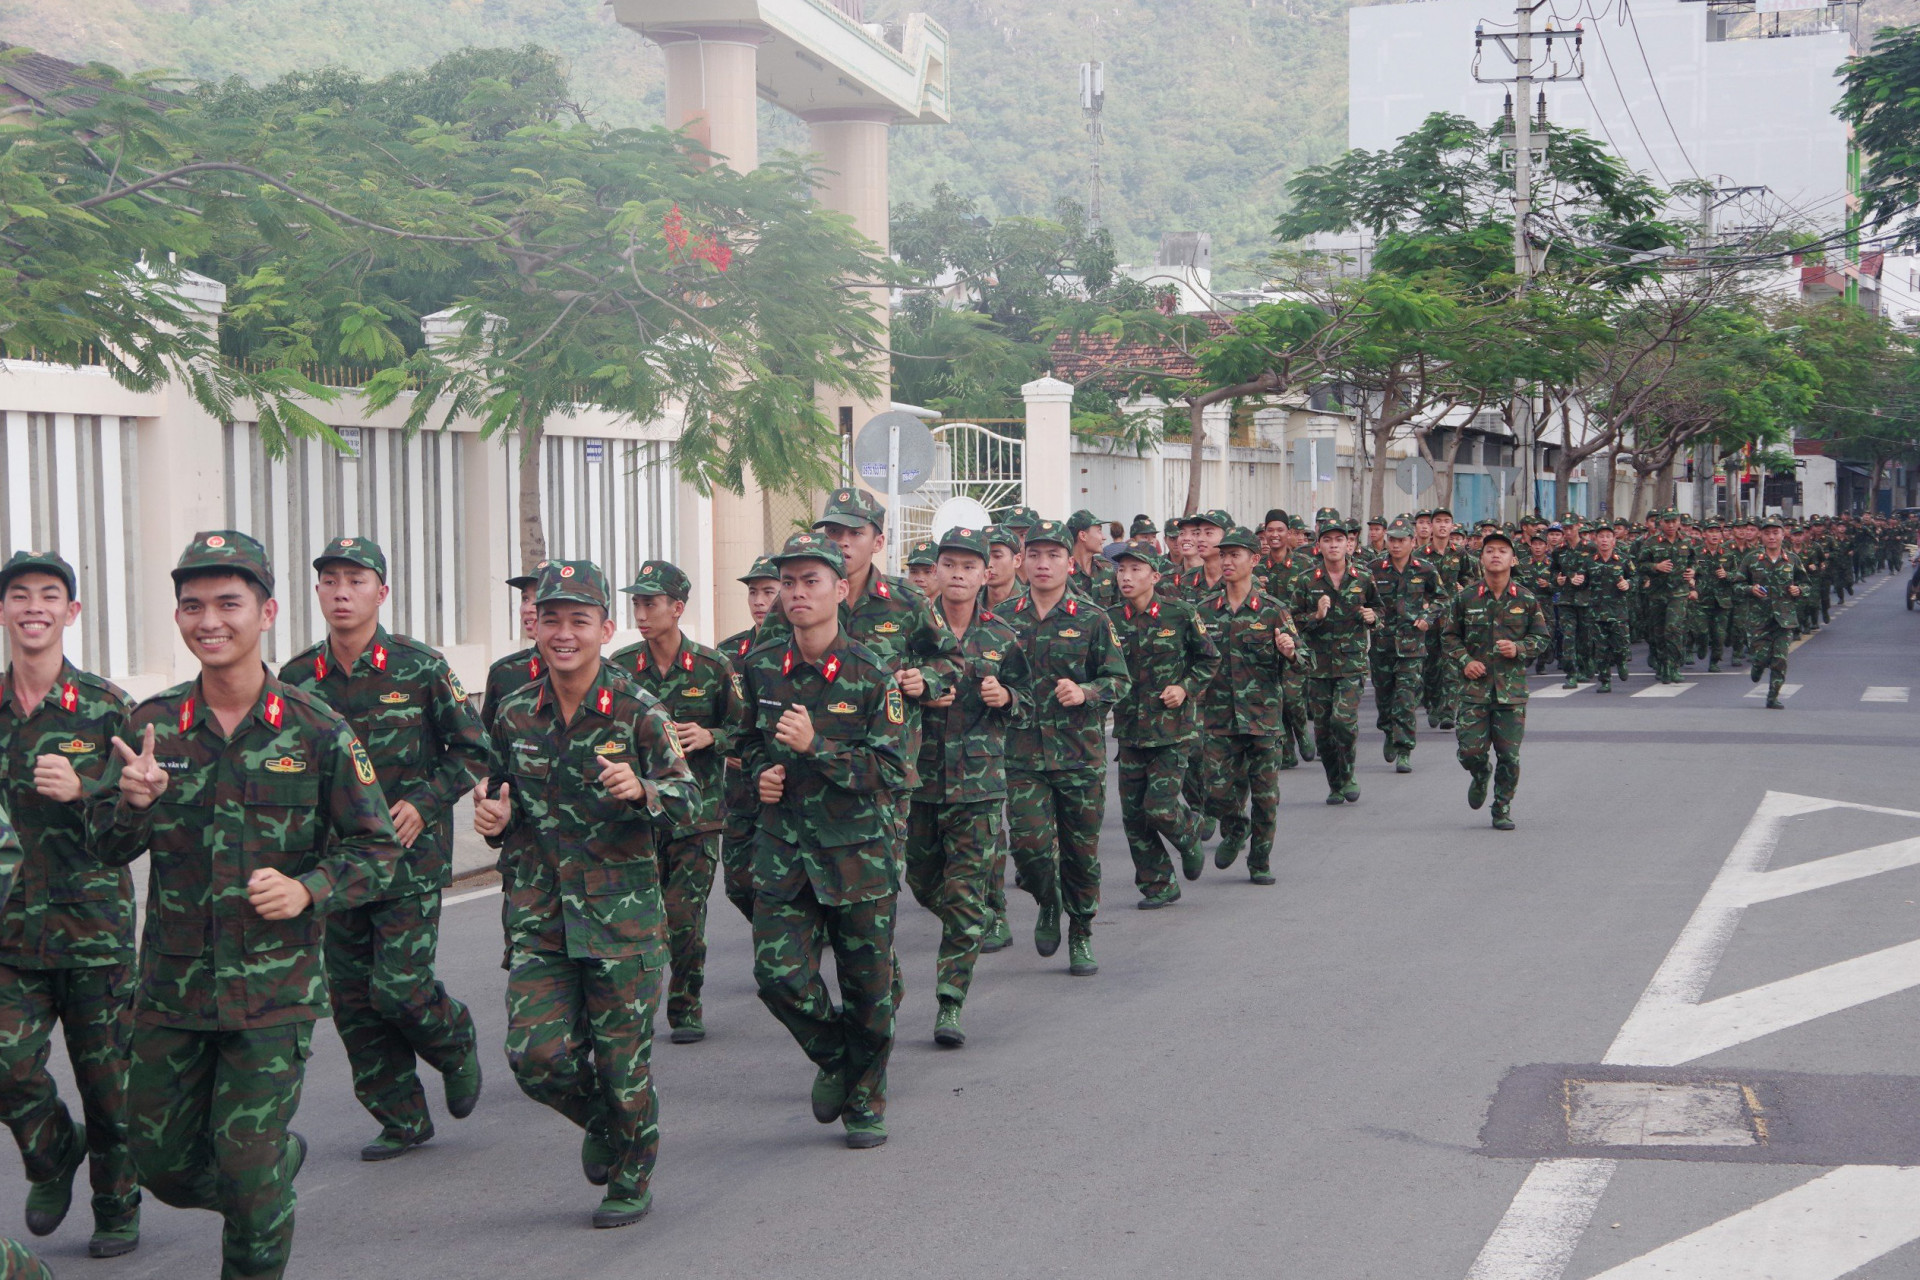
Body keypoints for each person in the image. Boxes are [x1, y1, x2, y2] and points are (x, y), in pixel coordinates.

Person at [90, 530, 402, 1279]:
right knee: (159, 1165)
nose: (210, 620)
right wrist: (130, 804)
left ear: (265, 613)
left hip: (273, 993)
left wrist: (308, 890)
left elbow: (378, 850)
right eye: (193, 605)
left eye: (228, 603)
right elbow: (102, 846)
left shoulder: (317, 728)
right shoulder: (149, 729)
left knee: (248, 1172)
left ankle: (260, 1190)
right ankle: (267, 1171)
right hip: (171, 993)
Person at [474, 558, 696, 1228]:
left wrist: (644, 791)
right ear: (536, 627)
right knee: (534, 1057)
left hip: (620, 920)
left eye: (578, 620)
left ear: (604, 627)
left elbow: (690, 799)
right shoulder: (514, 713)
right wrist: (492, 822)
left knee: (622, 1061)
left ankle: (630, 1173)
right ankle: (606, 1121)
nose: (562, 633)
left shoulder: (637, 712)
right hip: (540, 915)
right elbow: (498, 799)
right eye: (551, 619)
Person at [279, 538, 487, 1163]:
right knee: (350, 1000)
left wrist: (424, 803)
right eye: (331, 581)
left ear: (381, 593)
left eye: (356, 581)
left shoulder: (421, 669)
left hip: (407, 858)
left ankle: (453, 1041)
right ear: (317, 593)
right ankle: (400, 1115)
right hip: (336, 866)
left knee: (398, 987)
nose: (342, 592)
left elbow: (472, 750)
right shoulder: (296, 679)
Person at [738, 532, 908, 1149]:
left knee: (868, 986)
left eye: (811, 581)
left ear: (840, 590)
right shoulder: (760, 666)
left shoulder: (870, 673)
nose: (797, 593)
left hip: (857, 852)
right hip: (785, 850)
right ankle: (838, 1057)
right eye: (788, 582)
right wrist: (762, 772)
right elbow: (745, 743)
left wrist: (820, 749)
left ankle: (867, 1097)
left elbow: (893, 772)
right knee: (777, 975)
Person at [0, 551, 140, 1257]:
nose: (33, 607)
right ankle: (53, 1151)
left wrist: (87, 788)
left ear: (71, 613)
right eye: (19, 595)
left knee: (109, 1081)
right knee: (5, 1060)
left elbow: (136, 825)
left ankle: (117, 1203)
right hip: (8, 930)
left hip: (93, 927)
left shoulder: (106, 708)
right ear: (3, 612)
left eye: (49, 595)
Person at [611, 561, 748, 1045]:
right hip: (638, 817)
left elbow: (746, 732)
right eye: (637, 603)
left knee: (684, 918)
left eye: (652, 603)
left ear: (677, 608)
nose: (642, 613)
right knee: (640, 917)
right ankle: (633, 1006)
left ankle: (685, 1004)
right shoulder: (620, 669)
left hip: (697, 815)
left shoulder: (713, 668)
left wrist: (711, 735)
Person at [905, 528, 1027, 1047]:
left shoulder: (1003, 636)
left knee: (961, 897)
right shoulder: (910, 635)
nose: (957, 574)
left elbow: (1030, 704)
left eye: (968, 566)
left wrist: (1007, 698)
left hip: (979, 786)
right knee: (922, 881)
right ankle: (975, 916)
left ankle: (950, 1002)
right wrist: (907, 688)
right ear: (934, 572)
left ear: (986, 574)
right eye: (947, 564)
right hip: (919, 784)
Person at [1002, 521, 1130, 976]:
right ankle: (1048, 900)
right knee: (1029, 847)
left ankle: (1081, 930)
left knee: (1080, 852)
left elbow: (1119, 680)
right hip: (1021, 756)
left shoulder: (1093, 618)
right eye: (1034, 554)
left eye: (1052, 555)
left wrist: (1086, 692)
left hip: (1079, 755)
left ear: (1069, 562)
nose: (1042, 563)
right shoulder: (1004, 617)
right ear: (1022, 561)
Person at [1111, 544, 1218, 905]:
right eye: (1121, 569)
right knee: (1134, 819)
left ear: (1155, 577)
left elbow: (1208, 660)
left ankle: (1188, 834)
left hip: (1172, 731)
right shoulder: (1108, 620)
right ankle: (1159, 884)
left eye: (1135, 569)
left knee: (1158, 807)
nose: (1126, 576)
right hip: (1129, 732)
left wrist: (1185, 688)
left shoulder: (1180, 614)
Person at [1199, 528, 1297, 884]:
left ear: (1254, 560)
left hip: (1263, 719)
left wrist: (1290, 651)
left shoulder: (1274, 612)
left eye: (1235, 555)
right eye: (1223, 555)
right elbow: (1193, 661)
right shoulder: (1204, 611)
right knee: (1214, 790)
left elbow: (1306, 661)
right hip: (1219, 719)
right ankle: (1236, 827)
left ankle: (1259, 861)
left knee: (1266, 798)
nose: (1226, 561)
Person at [1441, 529, 1551, 830]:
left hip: (1511, 691)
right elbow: (1449, 637)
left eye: (1503, 550)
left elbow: (1541, 638)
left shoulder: (1526, 599)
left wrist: (1519, 649)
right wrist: (1466, 661)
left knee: (1510, 756)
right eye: (1490, 550)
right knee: (1470, 751)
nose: (1496, 555)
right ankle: (1479, 773)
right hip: (1474, 690)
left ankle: (1501, 807)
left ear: (1513, 559)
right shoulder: (1465, 598)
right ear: (1481, 557)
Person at [1290, 522, 1383, 805]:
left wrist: (1373, 618)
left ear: (1348, 544)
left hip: (1351, 663)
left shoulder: (1364, 577)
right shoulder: (1307, 581)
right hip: (1318, 666)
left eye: (1339, 540)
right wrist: (1315, 616)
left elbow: (1379, 609)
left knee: (1342, 722)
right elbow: (1291, 622)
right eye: (1327, 540)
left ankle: (1349, 772)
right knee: (1323, 731)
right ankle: (1335, 782)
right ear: (1319, 546)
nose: (1333, 545)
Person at [718, 557, 782, 922]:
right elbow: (715, 720)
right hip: (741, 785)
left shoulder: (797, 649)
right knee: (739, 882)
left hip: (785, 782)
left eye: (769, 592)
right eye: (753, 592)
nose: (759, 601)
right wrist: (726, 744)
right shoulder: (728, 653)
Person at [1368, 517, 1443, 773]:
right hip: (1382, 645)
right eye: (1392, 540)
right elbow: (1360, 598)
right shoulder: (1374, 569)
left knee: (1406, 697)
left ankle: (1404, 748)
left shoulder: (1425, 569)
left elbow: (1441, 598)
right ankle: (1388, 729)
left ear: (1413, 542)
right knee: (1384, 697)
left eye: (1402, 540)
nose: (1396, 545)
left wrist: (1427, 617)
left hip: (1412, 645)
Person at [1737, 517, 1808, 709]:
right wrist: (1750, 589)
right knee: (1761, 656)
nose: (1771, 537)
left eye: (1775, 533)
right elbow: (1737, 584)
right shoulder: (1752, 559)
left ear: (1783, 534)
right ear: (1761, 535)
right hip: (1759, 618)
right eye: (1767, 533)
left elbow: (1806, 584)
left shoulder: (1792, 559)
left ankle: (1772, 696)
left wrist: (1799, 590)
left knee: (1780, 659)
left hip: (1784, 618)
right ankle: (1758, 666)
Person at [483, 564, 548, 738]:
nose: (528, 608)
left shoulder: (608, 677)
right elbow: (485, 748)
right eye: (525, 598)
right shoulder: (505, 674)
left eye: (540, 597)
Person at [1577, 524, 1635, 691]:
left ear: (1614, 540)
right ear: (1596, 540)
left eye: (1608, 536)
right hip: (1596, 612)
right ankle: (1605, 681)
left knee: (1621, 645)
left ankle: (1622, 661)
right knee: (1600, 649)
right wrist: (1577, 581)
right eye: (1601, 536)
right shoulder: (1589, 561)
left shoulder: (1623, 560)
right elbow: (1582, 582)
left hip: (1618, 611)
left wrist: (1628, 583)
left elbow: (1636, 577)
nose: (1604, 540)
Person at [1066, 510, 1122, 608]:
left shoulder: (1107, 569)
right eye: (1099, 531)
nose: (1104, 537)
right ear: (1083, 535)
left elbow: (1117, 608)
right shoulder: (1062, 572)